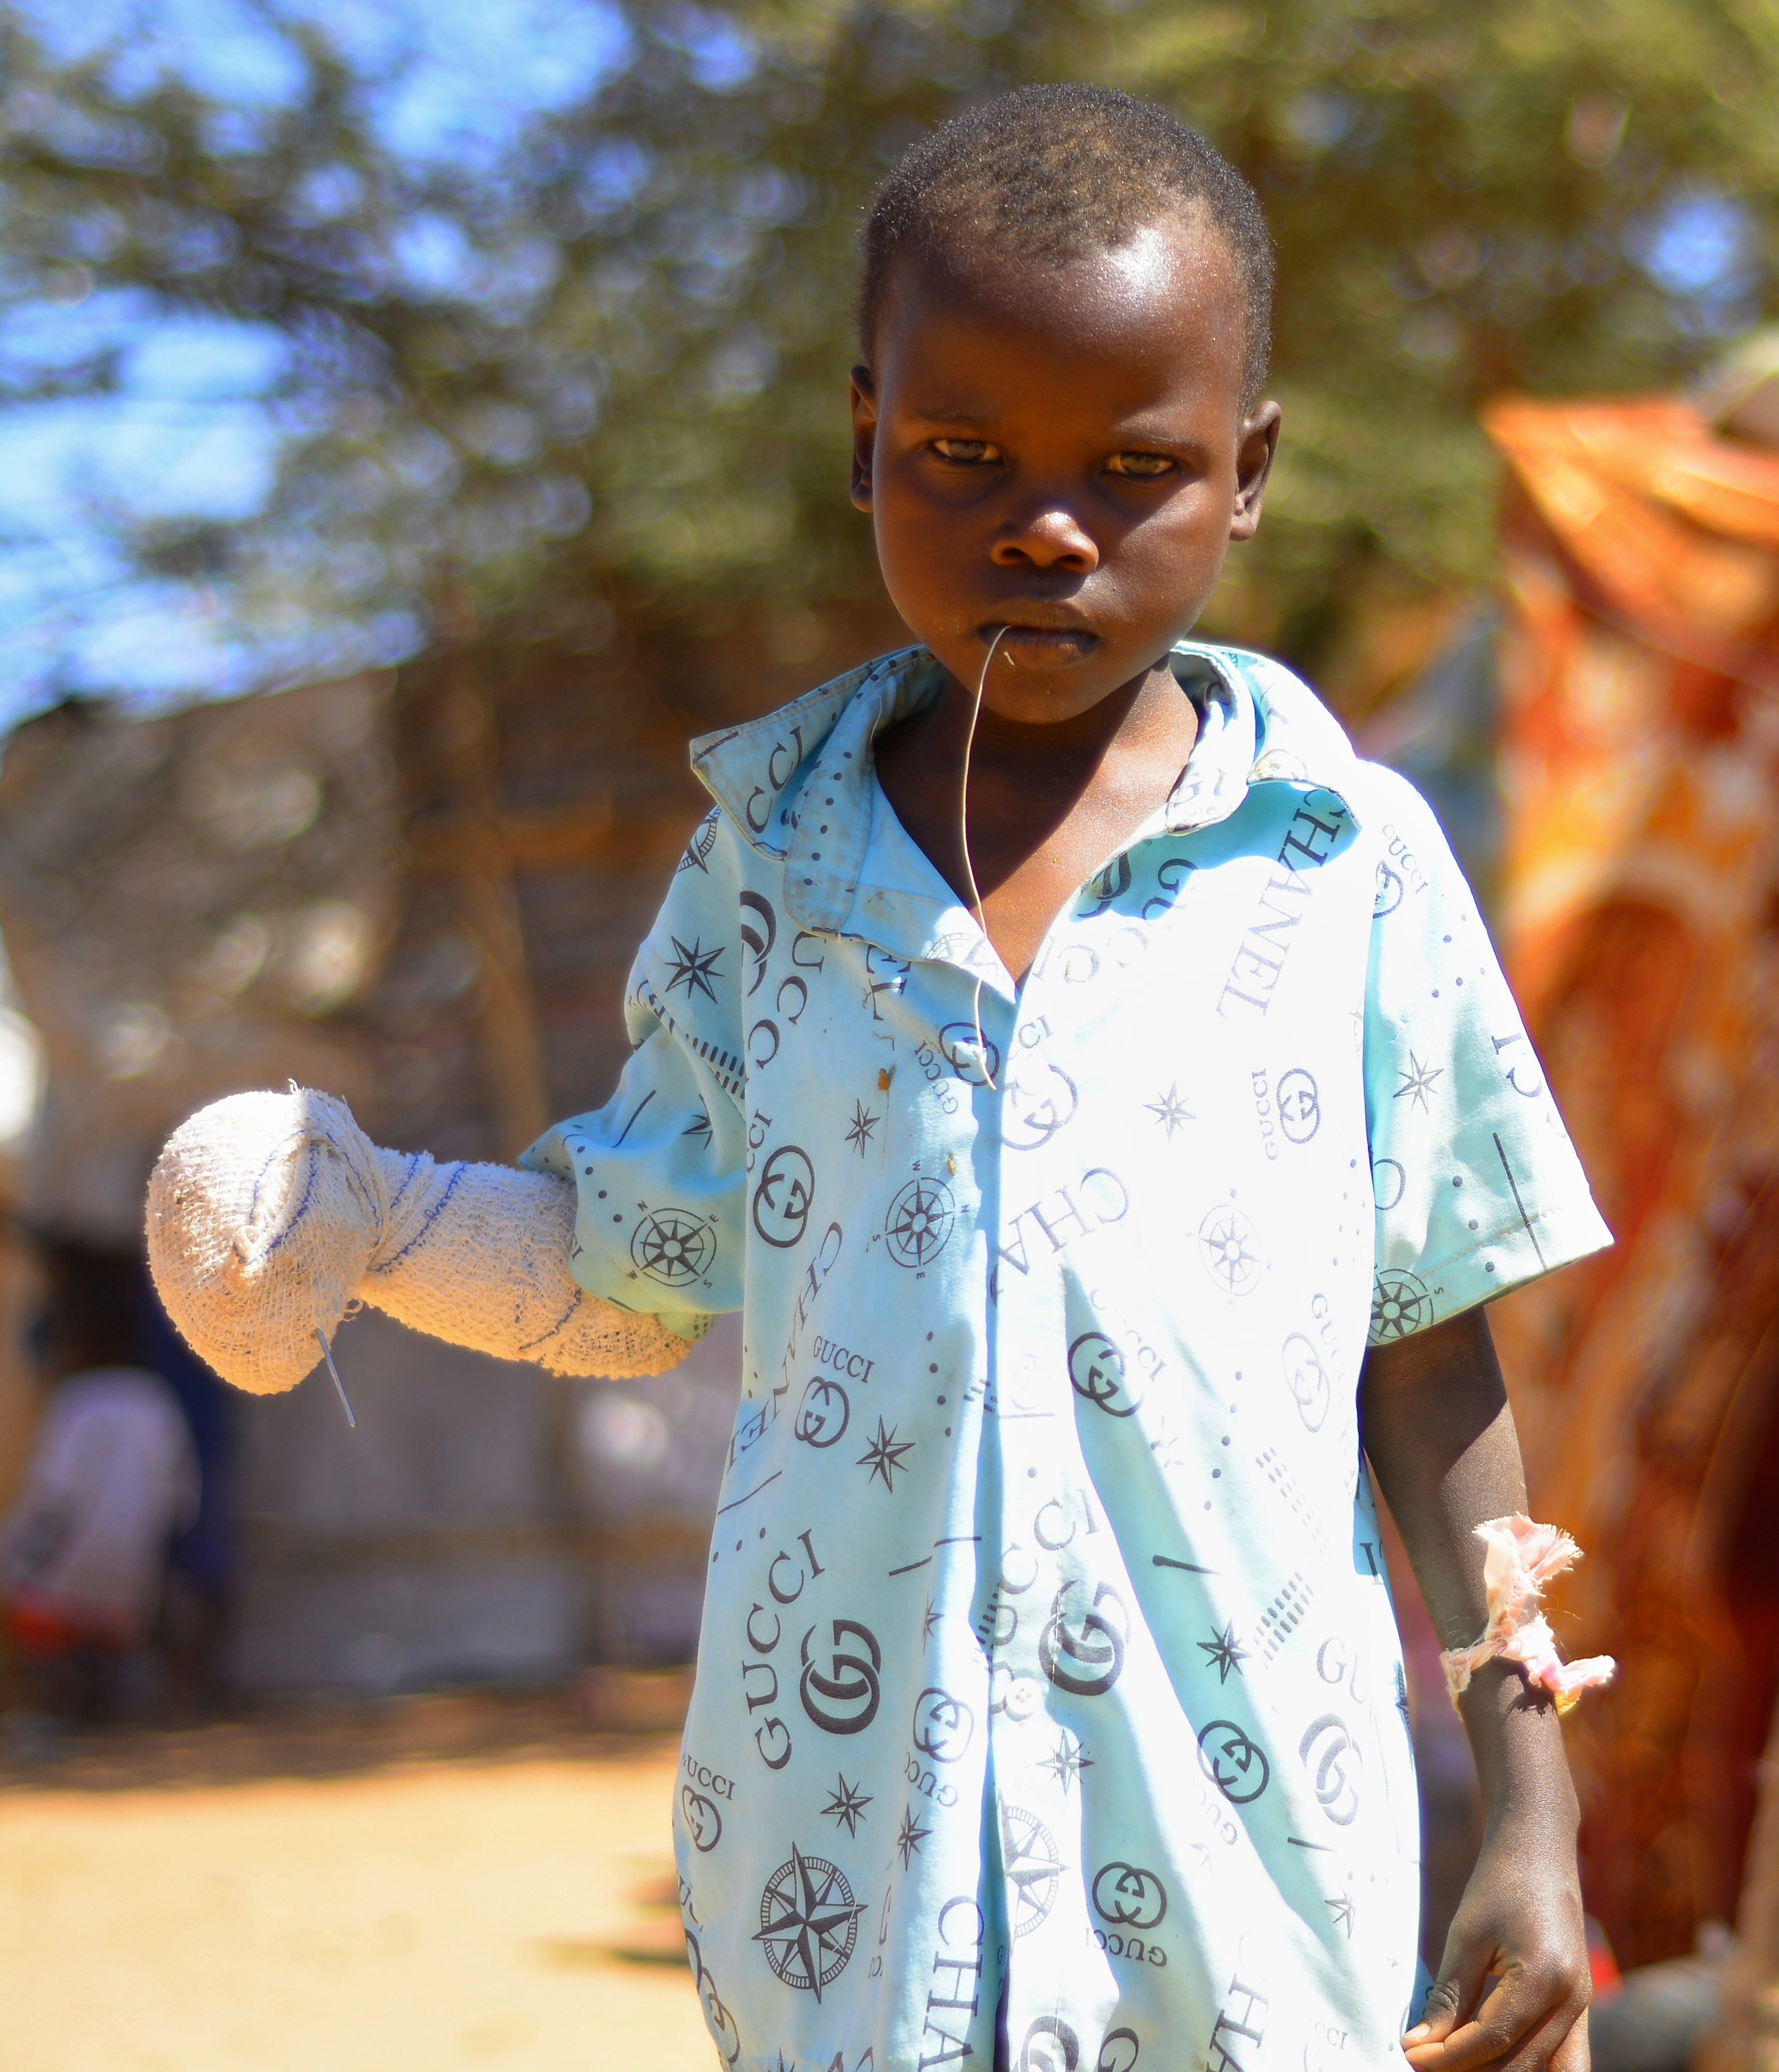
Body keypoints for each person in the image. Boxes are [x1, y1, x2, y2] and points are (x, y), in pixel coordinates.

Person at [140, 83, 1614, 2072]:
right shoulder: (768, 865)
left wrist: (1532, 1802)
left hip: (1246, 1852)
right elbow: (635, 1258)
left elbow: (1431, 1339)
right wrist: (375, 1219)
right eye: (961, 450)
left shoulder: (1347, 866)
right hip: (846, 1854)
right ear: (863, 443)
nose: (1046, 519)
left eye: (1137, 465)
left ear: (1246, 473)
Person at [5, 1240, 200, 1727]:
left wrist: (15, 1559)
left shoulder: (77, 1401)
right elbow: (183, 1501)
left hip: (69, 1575)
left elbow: (53, 1498)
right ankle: (117, 1677)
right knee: (119, 1611)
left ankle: (57, 1685)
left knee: (25, 1584)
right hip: (133, 1586)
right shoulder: (160, 1401)